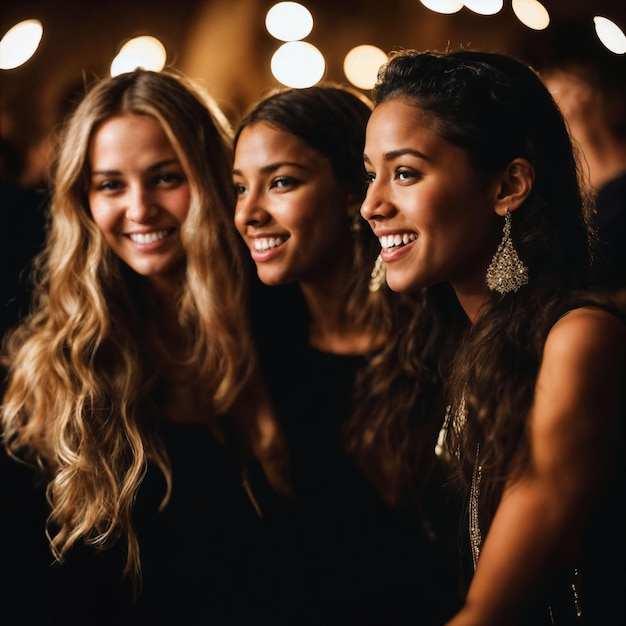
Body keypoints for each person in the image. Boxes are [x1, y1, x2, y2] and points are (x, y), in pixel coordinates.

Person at [0, 68, 286, 625]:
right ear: (83, 200)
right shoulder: (51, 371)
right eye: (110, 184)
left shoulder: (280, 324)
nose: (138, 208)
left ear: (210, 176)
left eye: (164, 177)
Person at [361, 49, 625, 625]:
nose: (372, 205)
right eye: (370, 174)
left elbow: (494, 608)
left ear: (508, 186)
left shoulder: (580, 338)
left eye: (405, 173)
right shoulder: (458, 345)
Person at [233, 83, 465, 625]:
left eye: (281, 182)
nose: (250, 213)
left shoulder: (441, 337)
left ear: (348, 193)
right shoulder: (257, 340)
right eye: (239, 187)